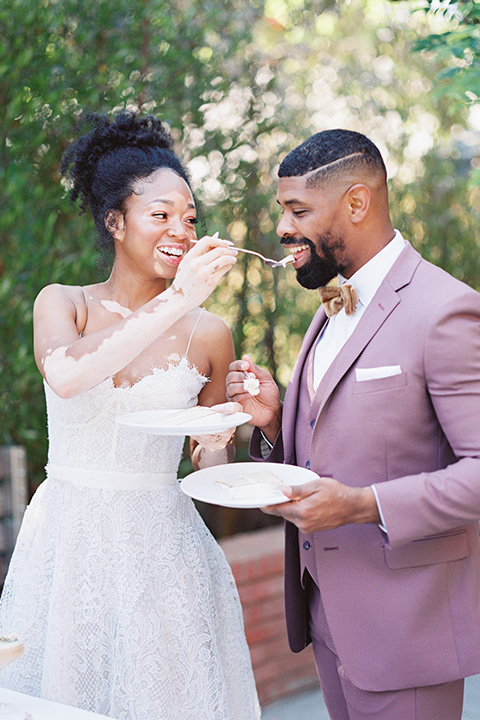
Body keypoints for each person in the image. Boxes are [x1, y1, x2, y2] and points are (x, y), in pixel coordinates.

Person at [0, 111, 260, 720]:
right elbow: (66, 375)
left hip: (163, 548)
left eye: (190, 218)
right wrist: (177, 299)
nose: (181, 230)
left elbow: (209, 463)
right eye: (161, 214)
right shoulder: (63, 304)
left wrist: (222, 435)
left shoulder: (210, 333)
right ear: (116, 222)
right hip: (66, 543)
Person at [226, 128, 480, 720]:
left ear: (357, 203)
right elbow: (330, 446)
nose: (284, 229)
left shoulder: (445, 310)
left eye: (298, 211)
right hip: (328, 617)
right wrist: (273, 423)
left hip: (406, 632)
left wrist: (362, 505)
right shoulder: (329, 311)